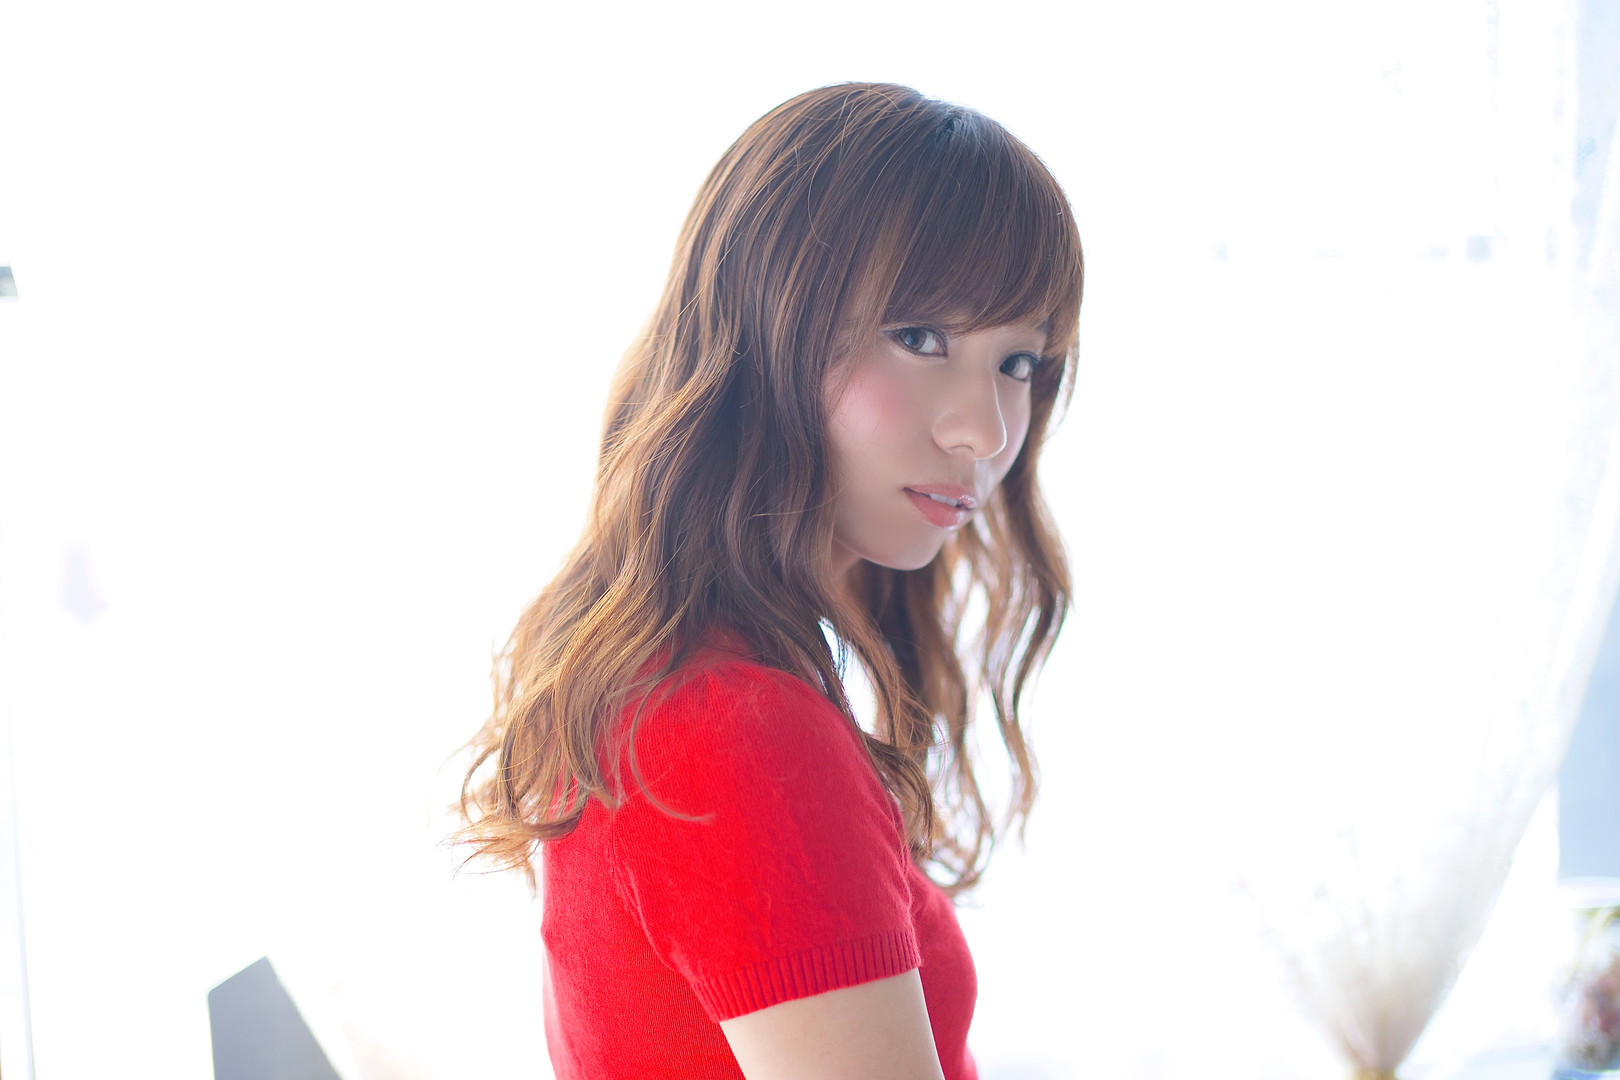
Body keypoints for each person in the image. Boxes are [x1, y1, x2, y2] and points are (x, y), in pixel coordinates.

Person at [455, 81, 1084, 1079]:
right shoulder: (736, 731)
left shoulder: (677, 676)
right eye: (921, 339)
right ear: (765, 330)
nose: (985, 430)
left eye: (1019, 361)